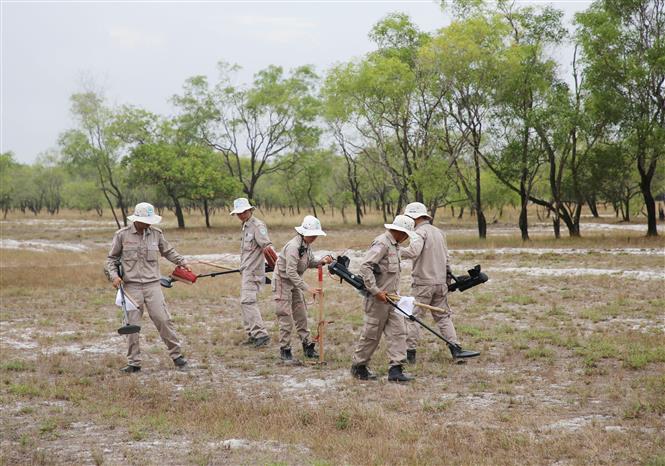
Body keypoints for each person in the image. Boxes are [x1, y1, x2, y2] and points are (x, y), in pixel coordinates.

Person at [106, 202, 190, 373]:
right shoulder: (122, 235)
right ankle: (134, 363)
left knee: (163, 320)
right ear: (136, 219)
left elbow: (168, 251)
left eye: (150, 221)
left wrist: (182, 262)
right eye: (145, 221)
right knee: (132, 325)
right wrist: (114, 277)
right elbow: (111, 260)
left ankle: (177, 357)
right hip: (131, 287)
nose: (148, 224)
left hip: (153, 285)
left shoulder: (156, 234)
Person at [400, 202, 480, 364]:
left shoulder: (419, 233)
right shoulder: (439, 233)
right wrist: (447, 282)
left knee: (414, 317)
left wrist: (393, 249)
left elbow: (413, 252)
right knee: (444, 317)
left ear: (414, 217)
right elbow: (447, 260)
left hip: (423, 284)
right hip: (440, 282)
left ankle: (410, 355)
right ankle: (456, 349)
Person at [351, 215, 416, 383]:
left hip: (392, 299)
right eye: (406, 234)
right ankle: (359, 366)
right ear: (399, 231)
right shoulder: (382, 243)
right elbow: (365, 267)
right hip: (377, 300)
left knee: (398, 332)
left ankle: (396, 369)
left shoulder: (396, 246)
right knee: (372, 335)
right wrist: (375, 291)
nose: (407, 237)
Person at [273, 215, 332, 361]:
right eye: (312, 234)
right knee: (285, 316)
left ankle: (308, 346)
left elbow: (309, 262)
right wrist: (308, 288)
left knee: (301, 314)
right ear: (304, 233)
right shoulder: (293, 246)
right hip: (283, 282)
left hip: (294, 282)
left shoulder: (306, 246)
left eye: (316, 235)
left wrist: (322, 261)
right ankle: (285, 350)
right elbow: (290, 271)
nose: (314, 237)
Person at [230, 198, 276, 348]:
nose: (241, 215)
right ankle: (252, 333)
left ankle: (261, 334)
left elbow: (267, 247)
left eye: (243, 212)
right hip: (247, 270)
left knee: (248, 301)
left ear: (250, 210)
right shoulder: (245, 226)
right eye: (238, 213)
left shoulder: (257, 226)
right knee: (245, 302)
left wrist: (275, 265)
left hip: (254, 271)